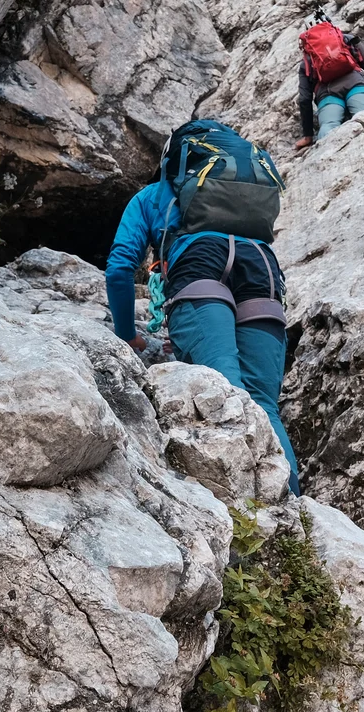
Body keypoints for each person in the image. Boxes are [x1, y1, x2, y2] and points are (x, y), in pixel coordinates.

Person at [106, 119, 299, 495]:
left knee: (226, 387)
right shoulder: (245, 196)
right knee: (262, 404)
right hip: (261, 265)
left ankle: (245, 512)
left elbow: (119, 269)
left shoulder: (153, 196)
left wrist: (127, 335)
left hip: (199, 262)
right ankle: (293, 509)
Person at [293, 9, 364, 149]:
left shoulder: (307, 60)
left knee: (328, 128)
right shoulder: (346, 39)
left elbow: (304, 99)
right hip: (357, 85)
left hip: (328, 96)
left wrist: (308, 135)